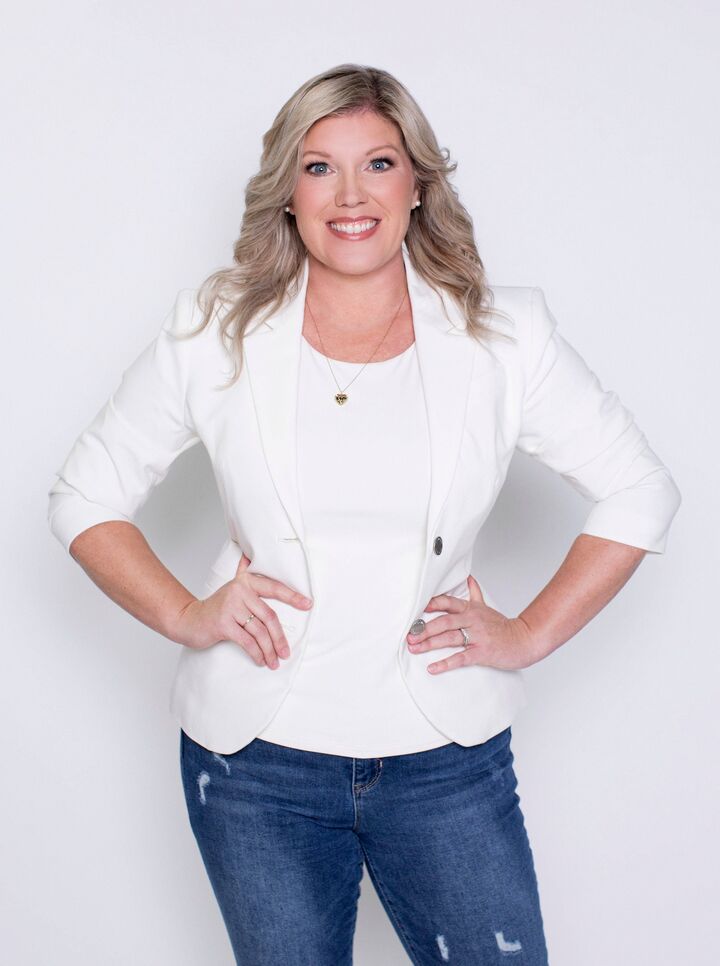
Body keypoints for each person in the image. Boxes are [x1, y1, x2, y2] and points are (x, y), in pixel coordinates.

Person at [47, 63, 681, 965]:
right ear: (288, 192)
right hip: (255, 763)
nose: (351, 195)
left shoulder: (504, 335)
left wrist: (530, 633)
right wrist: (186, 614)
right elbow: (85, 493)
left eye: (378, 163)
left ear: (417, 183)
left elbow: (640, 488)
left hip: (444, 757)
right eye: (320, 168)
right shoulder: (215, 328)